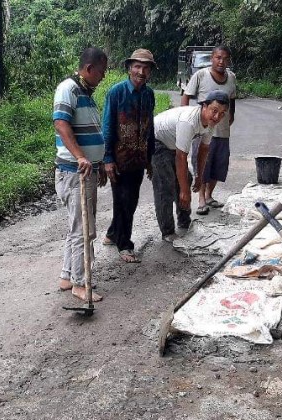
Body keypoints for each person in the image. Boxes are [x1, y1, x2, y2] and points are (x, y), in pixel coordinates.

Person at [52, 47, 108, 302]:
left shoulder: (85, 92)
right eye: (102, 71)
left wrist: (97, 163)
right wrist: (81, 157)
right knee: (84, 230)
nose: (103, 76)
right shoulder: (68, 88)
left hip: (86, 170)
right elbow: (61, 124)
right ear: (89, 69)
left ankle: (67, 276)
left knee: (77, 226)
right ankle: (80, 283)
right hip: (75, 172)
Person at [101, 49, 157, 263]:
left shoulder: (149, 94)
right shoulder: (116, 93)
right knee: (125, 200)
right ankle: (125, 244)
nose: (141, 71)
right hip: (119, 158)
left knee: (127, 200)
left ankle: (113, 233)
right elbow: (108, 127)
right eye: (137, 66)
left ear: (150, 71)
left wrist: (150, 158)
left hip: (139, 158)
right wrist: (107, 158)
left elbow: (150, 128)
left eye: (146, 68)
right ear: (129, 68)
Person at [152, 90, 230, 242]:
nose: (217, 117)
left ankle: (184, 222)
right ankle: (167, 231)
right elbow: (181, 157)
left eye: (222, 113)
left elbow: (204, 149)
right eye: (214, 111)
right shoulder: (189, 121)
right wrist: (184, 191)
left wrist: (199, 176)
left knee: (185, 179)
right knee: (166, 185)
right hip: (155, 141)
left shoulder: (210, 122)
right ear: (204, 106)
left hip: (172, 143)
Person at [181, 45, 237, 215]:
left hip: (223, 130)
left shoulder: (232, 77)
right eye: (218, 57)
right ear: (212, 58)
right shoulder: (201, 75)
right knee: (202, 164)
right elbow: (186, 96)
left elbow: (232, 99)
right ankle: (201, 200)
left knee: (219, 164)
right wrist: (185, 117)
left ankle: (209, 195)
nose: (222, 61)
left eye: (225, 58)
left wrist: (231, 115)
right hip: (202, 129)